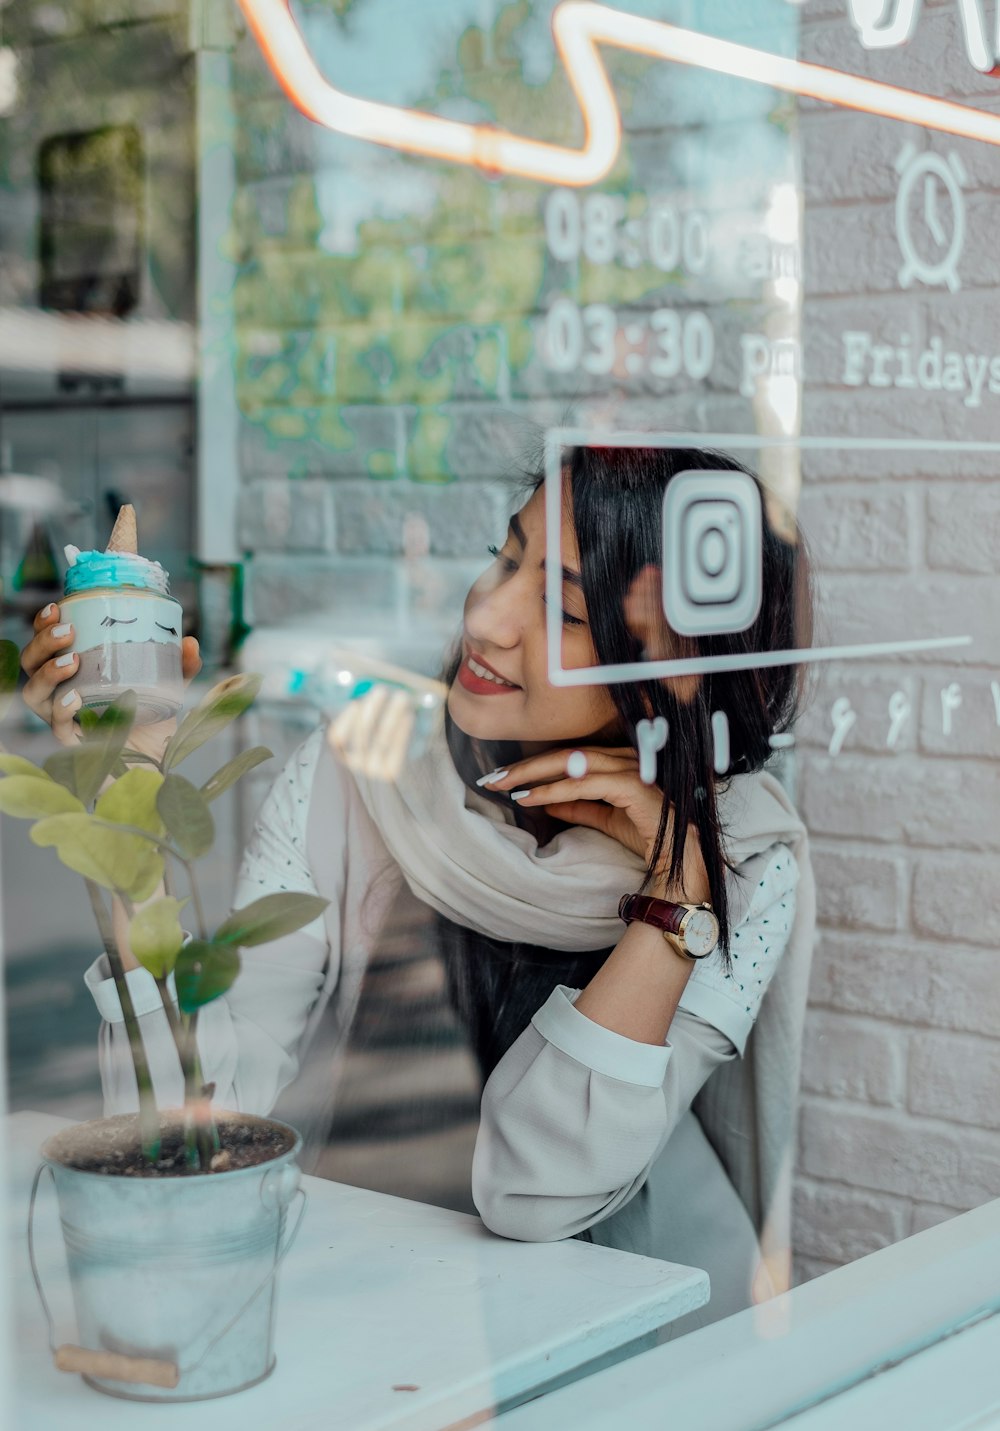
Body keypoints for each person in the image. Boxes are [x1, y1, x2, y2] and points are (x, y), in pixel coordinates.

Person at [20, 444, 815, 1332]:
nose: (487, 616)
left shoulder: (741, 859)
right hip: (359, 1285)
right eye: (505, 558)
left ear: (671, 672)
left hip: (623, 1320)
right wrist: (130, 788)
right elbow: (189, 1117)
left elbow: (538, 1191)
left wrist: (674, 892)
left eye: (560, 610)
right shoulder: (363, 771)